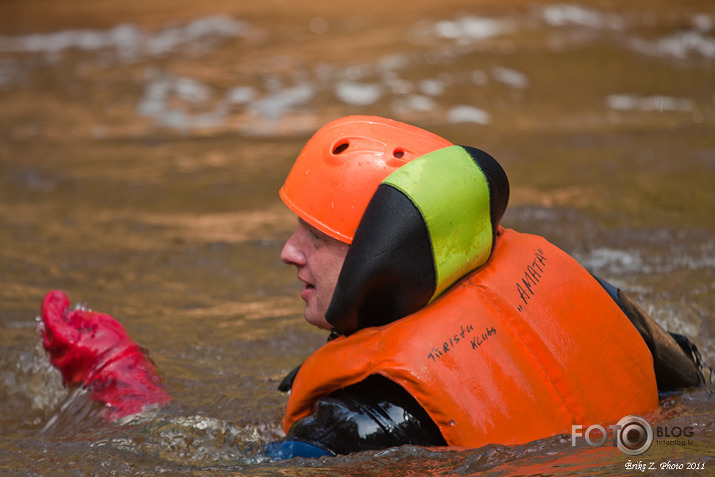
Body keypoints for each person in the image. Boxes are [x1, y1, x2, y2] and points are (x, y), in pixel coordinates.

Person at [39, 115, 710, 460]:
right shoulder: (585, 289)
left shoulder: (362, 420)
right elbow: (686, 385)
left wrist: (126, 391)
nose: (287, 252)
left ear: (383, 257)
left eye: (317, 237)